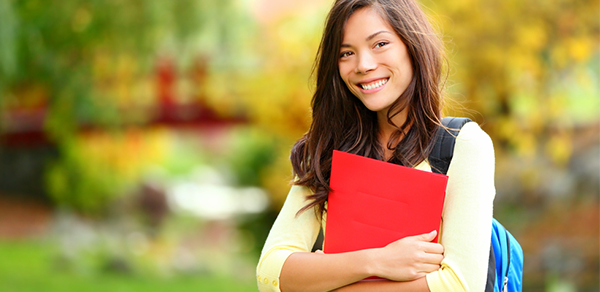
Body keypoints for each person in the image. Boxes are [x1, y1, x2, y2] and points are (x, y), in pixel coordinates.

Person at [256, 0, 495, 291]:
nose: (364, 65)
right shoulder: (328, 149)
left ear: (413, 45)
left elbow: (459, 284)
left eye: (380, 44)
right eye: (346, 53)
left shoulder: (462, 145)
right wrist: (376, 261)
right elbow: (270, 272)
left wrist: (322, 279)